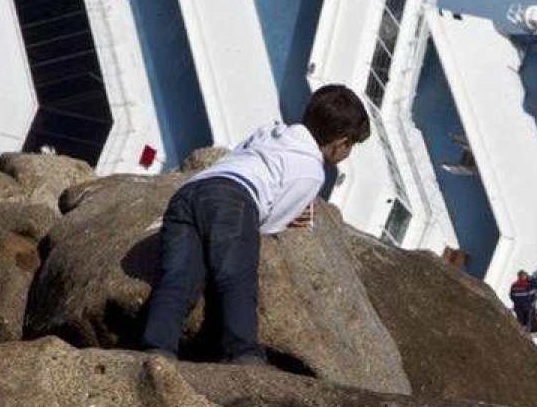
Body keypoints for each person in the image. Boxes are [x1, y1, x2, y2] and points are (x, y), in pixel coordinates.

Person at [141, 84, 370, 363]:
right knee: (236, 279)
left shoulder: (271, 131)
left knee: (178, 278)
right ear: (340, 142)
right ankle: (243, 353)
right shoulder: (311, 171)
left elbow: (239, 155)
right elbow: (270, 222)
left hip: (191, 192)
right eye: (352, 146)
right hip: (236, 199)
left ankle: (157, 349)